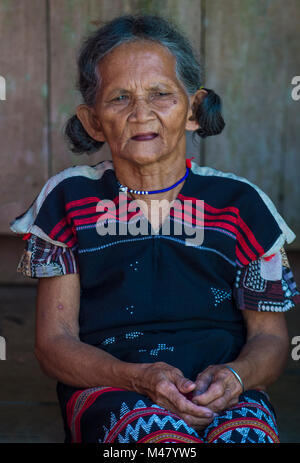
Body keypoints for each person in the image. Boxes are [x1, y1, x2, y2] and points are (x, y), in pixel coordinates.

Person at [9, 14, 300, 444]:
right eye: (119, 98)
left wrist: (235, 378)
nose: (141, 113)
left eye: (160, 94)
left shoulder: (243, 207)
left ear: (194, 109)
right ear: (92, 120)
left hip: (223, 391)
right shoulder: (66, 201)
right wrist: (139, 378)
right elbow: (54, 343)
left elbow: (270, 340)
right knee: (159, 445)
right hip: (113, 388)